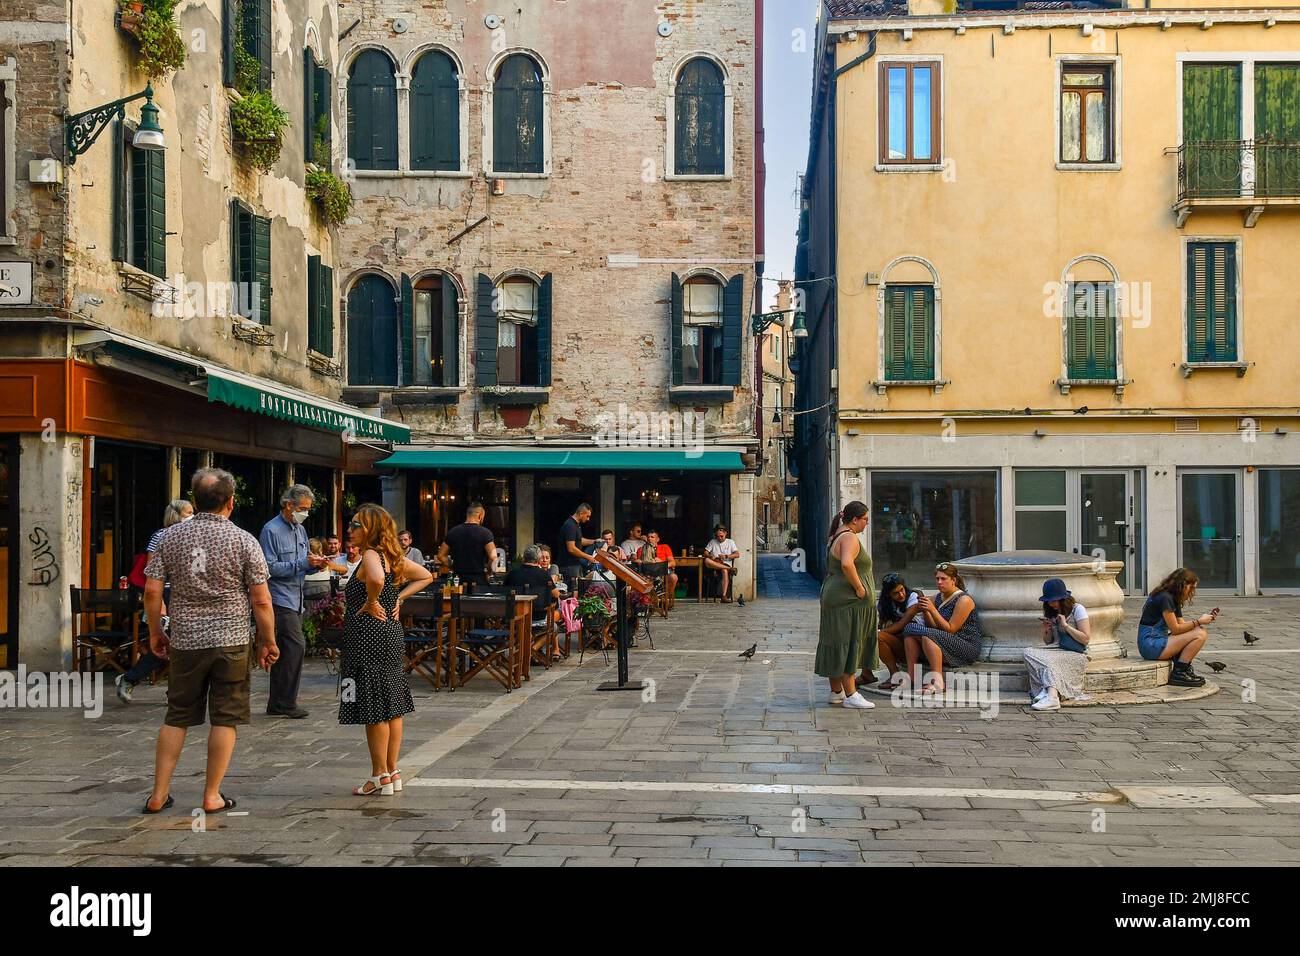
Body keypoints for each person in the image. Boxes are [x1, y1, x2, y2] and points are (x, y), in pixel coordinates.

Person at [141, 468, 278, 815]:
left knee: (177, 716)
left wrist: (156, 631)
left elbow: (152, 591)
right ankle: (211, 794)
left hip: (186, 639)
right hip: (230, 639)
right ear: (231, 502)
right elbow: (261, 600)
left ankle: (158, 793)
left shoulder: (169, 538)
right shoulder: (244, 540)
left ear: (195, 499)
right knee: (225, 717)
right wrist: (268, 640)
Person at [340, 504, 433, 796]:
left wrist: (371, 600)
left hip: (367, 634)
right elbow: (426, 576)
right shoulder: (392, 556)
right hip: (389, 635)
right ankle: (392, 771)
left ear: (370, 528)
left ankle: (379, 774)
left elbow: (377, 580)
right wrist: (398, 599)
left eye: (355, 525)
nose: (350, 530)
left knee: (373, 707)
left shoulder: (370, 554)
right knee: (391, 703)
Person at [259, 484, 326, 719]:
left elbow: (303, 561)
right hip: (279, 597)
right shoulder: (271, 530)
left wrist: (315, 563)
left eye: (308, 509)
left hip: (296, 595)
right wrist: (303, 565)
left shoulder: (300, 530)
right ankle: (286, 701)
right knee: (297, 646)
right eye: (303, 508)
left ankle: (277, 702)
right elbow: (268, 567)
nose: (306, 513)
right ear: (289, 505)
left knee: (287, 649)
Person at [117, 498, 193, 703]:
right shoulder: (161, 536)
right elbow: (152, 573)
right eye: (188, 513)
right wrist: (159, 602)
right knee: (171, 642)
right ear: (176, 514)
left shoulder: (192, 536)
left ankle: (172, 689)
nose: (192, 517)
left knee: (185, 644)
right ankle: (132, 678)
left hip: (185, 593)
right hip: (166, 593)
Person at [813, 502, 876, 710]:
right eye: (865, 519)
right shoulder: (849, 537)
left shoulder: (836, 535)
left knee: (835, 640)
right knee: (848, 641)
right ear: (855, 520)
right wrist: (860, 588)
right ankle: (851, 694)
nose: (867, 523)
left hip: (834, 595)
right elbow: (847, 563)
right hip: (847, 599)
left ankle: (837, 691)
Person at [905, 562, 984, 694]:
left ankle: (938, 681)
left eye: (943, 579)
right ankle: (911, 677)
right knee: (910, 630)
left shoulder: (963, 599)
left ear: (953, 580)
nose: (939, 582)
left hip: (965, 645)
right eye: (937, 579)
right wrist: (926, 611)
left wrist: (932, 610)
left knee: (928, 635)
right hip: (944, 639)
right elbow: (933, 627)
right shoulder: (938, 597)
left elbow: (951, 628)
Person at [1023, 578, 1092, 711]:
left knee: (1050, 662)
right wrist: (1046, 629)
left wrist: (1065, 626)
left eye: (1054, 600)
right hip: (1058, 649)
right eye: (1048, 601)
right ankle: (1047, 689)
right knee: (1028, 652)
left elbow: (1086, 639)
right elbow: (1049, 642)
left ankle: (1052, 697)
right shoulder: (1052, 612)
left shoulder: (1078, 609)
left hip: (1077, 652)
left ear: (1063, 599)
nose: (1050, 604)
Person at [1137, 567, 1212, 688]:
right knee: (1200, 634)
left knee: (1198, 631)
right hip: (1150, 644)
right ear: (1183, 585)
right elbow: (1176, 629)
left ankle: (1183, 667)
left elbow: (1182, 626)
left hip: (1156, 640)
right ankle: (1179, 672)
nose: (1192, 592)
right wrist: (1198, 621)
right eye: (1191, 588)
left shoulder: (1171, 597)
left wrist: (1199, 623)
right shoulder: (1164, 598)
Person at [506, 544, 564, 658]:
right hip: (538, 617)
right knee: (554, 628)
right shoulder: (544, 575)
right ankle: (531, 650)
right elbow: (556, 594)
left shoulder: (513, 574)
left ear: (524, 558)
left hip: (514, 617)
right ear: (538, 559)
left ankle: (524, 651)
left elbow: (505, 593)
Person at [874, 572, 925, 690]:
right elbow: (881, 623)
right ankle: (874, 674)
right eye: (895, 593)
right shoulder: (884, 603)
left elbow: (901, 625)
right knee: (874, 637)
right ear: (888, 594)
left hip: (918, 644)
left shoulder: (914, 597)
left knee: (877, 636)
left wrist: (879, 632)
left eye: (902, 590)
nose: (901, 594)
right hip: (901, 641)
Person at [438, 503, 497, 587]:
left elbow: (440, 556)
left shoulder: (453, 532)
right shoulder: (485, 533)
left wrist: (452, 565)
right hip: (478, 580)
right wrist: (489, 572)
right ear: (480, 515)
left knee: (457, 599)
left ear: (467, 514)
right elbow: (493, 557)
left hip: (458, 579)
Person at [560, 503, 601, 580]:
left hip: (575, 564)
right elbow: (571, 549)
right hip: (569, 565)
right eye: (587, 516)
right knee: (574, 589)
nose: (588, 519)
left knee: (579, 587)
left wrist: (595, 541)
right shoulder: (570, 525)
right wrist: (588, 557)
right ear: (581, 513)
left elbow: (579, 540)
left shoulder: (576, 525)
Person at [703, 524, 741, 602]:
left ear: (725, 534)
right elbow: (705, 553)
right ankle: (731, 569)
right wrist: (711, 556)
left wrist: (726, 556)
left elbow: (737, 554)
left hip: (725, 564)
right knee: (706, 560)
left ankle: (723, 596)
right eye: (717, 536)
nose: (719, 538)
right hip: (715, 564)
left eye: (721, 536)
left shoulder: (730, 542)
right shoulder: (713, 542)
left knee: (724, 570)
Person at [637, 529, 679, 598]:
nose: (650, 539)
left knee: (674, 577)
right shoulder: (641, 549)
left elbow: (673, 563)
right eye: (648, 537)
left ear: (657, 539)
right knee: (644, 579)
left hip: (663, 572)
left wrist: (661, 562)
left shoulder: (665, 547)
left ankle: (665, 598)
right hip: (648, 573)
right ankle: (649, 601)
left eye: (652, 537)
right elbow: (639, 564)